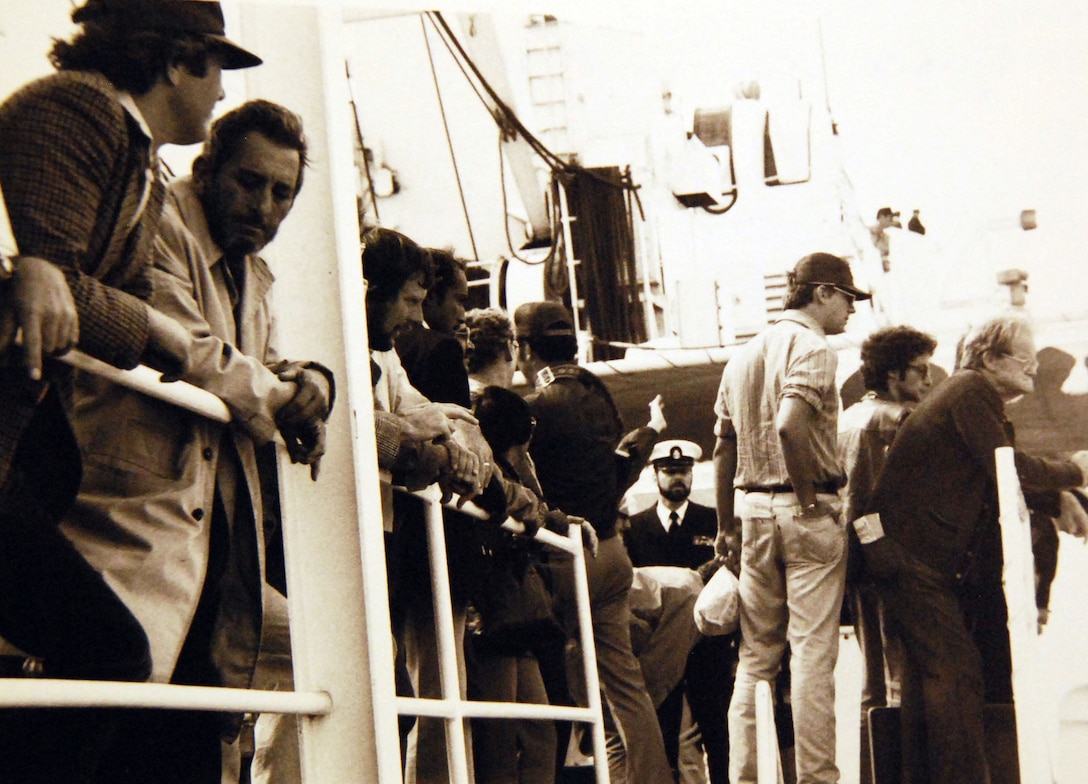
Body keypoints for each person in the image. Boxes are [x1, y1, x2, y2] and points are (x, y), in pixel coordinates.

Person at [0, 2, 260, 781]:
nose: (220, 95)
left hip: (31, 458)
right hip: (14, 449)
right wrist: (166, 337)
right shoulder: (74, 108)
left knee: (110, 658)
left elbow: (95, 297)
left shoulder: (140, 160)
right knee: (110, 651)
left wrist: (142, 324)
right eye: (216, 69)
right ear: (177, 59)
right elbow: (56, 290)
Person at [63, 99, 330, 783]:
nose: (264, 205)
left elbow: (266, 361)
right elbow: (197, 351)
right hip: (123, 526)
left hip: (207, 543)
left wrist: (312, 381)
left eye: (282, 193)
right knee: (105, 736)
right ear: (207, 168)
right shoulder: (159, 229)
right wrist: (288, 402)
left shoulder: (252, 272)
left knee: (184, 740)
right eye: (249, 182)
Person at [862, 315, 1088, 784]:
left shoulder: (968, 397)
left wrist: (1055, 499)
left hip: (908, 557)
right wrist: (1074, 472)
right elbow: (1006, 463)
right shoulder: (970, 391)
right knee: (956, 673)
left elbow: (994, 475)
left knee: (933, 681)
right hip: (913, 560)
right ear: (989, 358)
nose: (1033, 372)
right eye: (1026, 361)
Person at [713, 252, 869, 784]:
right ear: (822, 292)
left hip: (750, 509)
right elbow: (789, 426)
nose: (851, 309)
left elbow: (723, 446)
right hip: (805, 510)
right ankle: (817, 778)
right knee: (811, 655)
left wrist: (724, 527)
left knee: (755, 656)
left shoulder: (743, 355)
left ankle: (747, 776)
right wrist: (806, 502)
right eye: (848, 297)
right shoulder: (813, 347)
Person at [514, 299, 673, 784]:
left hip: (564, 557)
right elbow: (618, 472)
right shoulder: (596, 393)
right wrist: (648, 434)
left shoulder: (534, 410)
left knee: (541, 674)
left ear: (524, 349)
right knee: (625, 686)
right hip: (611, 552)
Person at [836, 325, 936, 784]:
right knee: (899, 683)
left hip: (860, 565)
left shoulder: (851, 417)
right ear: (894, 374)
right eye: (920, 371)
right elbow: (871, 503)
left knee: (874, 683)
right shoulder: (895, 421)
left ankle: (875, 774)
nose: (929, 381)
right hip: (889, 564)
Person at [626, 439, 733, 784]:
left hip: (706, 643)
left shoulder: (714, 521)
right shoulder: (635, 528)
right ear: (655, 475)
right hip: (660, 645)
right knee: (662, 730)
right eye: (670, 472)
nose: (678, 479)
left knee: (717, 729)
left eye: (684, 472)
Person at [870, 207, 900, 272]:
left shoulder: (886, 237)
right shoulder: (867, 233)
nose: (891, 220)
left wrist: (886, 264)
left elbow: (885, 258)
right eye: (889, 217)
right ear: (881, 217)